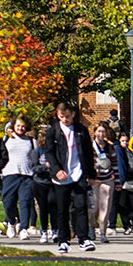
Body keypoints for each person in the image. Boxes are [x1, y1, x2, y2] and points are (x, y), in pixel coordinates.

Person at [42, 102, 97, 253]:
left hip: (78, 173)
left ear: (72, 114)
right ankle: (63, 240)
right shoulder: (53, 132)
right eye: (61, 117)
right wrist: (57, 170)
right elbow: (49, 152)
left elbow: (87, 153)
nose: (64, 120)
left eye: (67, 116)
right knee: (62, 208)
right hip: (61, 176)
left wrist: (91, 174)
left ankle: (84, 239)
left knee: (80, 206)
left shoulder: (81, 130)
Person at [1, 118, 40, 241]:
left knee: (25, 202)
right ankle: (12, 223)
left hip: (26, 175)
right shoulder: (6, 138)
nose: (20, 128)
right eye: (18, 125)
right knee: (8, 202)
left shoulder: (31, 141)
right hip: (9, 174)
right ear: (14, 126)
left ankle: (23, 228)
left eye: (23, 126)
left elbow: (36, 157)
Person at [89, 125, 121, 243]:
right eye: (99, 131)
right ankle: (91, 227)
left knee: (105, 206)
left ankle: (103, 232)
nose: (101, 134)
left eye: (103, 132)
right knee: (94, 207)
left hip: (108, 178)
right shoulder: (90, 146)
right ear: (95, 132)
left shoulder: (110, 147)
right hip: (94, 179)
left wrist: (117, 182)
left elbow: (115, 164)